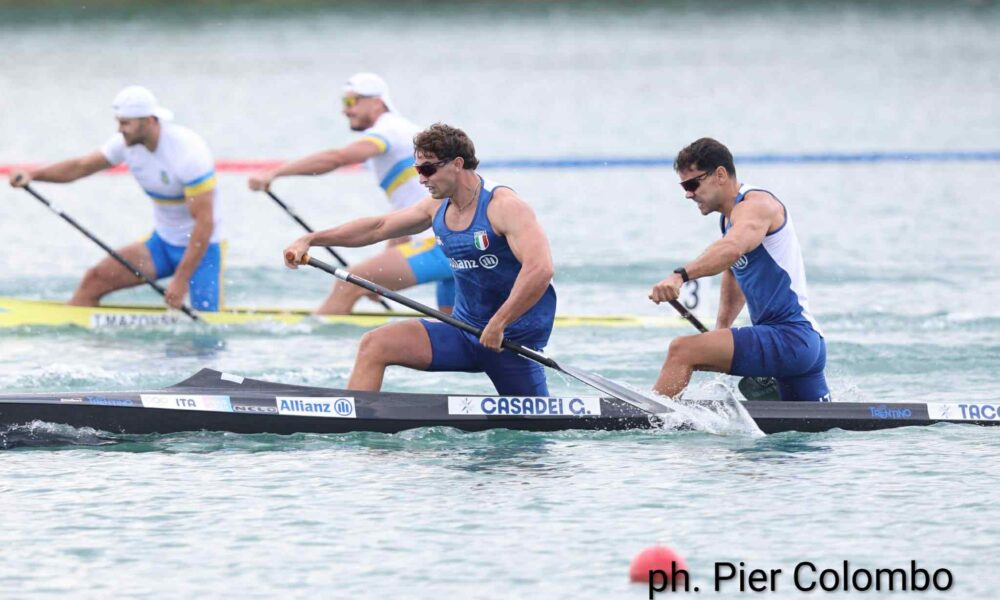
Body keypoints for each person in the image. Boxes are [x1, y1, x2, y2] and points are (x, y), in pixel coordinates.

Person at [284, 123, 557, 395]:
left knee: (535, 420)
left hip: (510, 340)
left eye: (427, 169)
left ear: (457, 164)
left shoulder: (504, 207)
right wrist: (312, 239)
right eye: (417, 170)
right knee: (375, 344)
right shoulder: (436, 206)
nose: (421, 180)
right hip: (463, 331)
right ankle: (354, 415)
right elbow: (378, 228)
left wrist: (499, 323)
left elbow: (540, 269)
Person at [249, 73, 455, 314]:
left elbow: (338, 158)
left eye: (351, 101)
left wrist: (274, 173)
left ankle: (313, 337)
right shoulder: (402, 132)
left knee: (348, 283)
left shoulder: (389, 130)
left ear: (376, 103)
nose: (345, 110)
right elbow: (407, 211)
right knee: (454, 328)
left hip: (442, 246)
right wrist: (385, 267)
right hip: (453, 245)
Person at [9, 85, 224, 311]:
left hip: (204, 250)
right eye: (119, 122)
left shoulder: (188, 153)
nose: (120, 129)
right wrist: (33, 175)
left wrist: (181, 279)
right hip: (162, 244)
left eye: (125, 123)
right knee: (94, 281)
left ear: (149, 121)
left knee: (207, 325)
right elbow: (80, 167)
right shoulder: (125, 144)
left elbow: (205, 223)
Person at [648, 137, 830, 401]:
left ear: (720, 175)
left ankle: (649, 420)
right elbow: (734, 269)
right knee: (815, 425)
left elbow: (731, 249)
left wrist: (680, 276)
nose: (688, 194)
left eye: (692, 184)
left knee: (681, 351)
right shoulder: (729, 219)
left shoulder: (757, 206)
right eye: (684, 187)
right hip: (802, 344)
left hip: (789, 337)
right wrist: (722, 329)